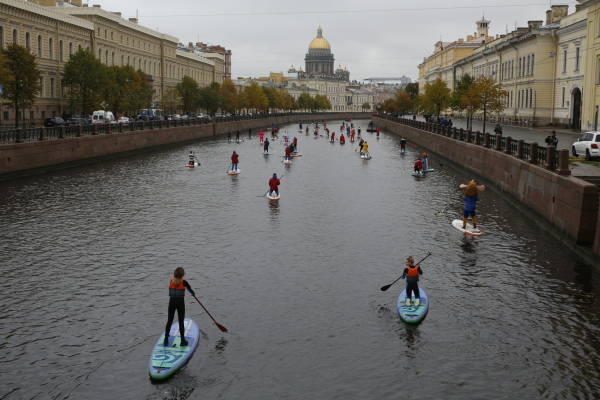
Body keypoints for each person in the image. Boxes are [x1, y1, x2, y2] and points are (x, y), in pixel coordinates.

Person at [164, 267, 195, 347]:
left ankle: (166, 339)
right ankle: (182, 341)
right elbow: (190, 290)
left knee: (169, 321)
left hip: (171, 302)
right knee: (181, 321)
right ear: (182, 274)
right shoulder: (184, 282)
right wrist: (193, 294)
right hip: (180, 302)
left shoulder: (171, 280)